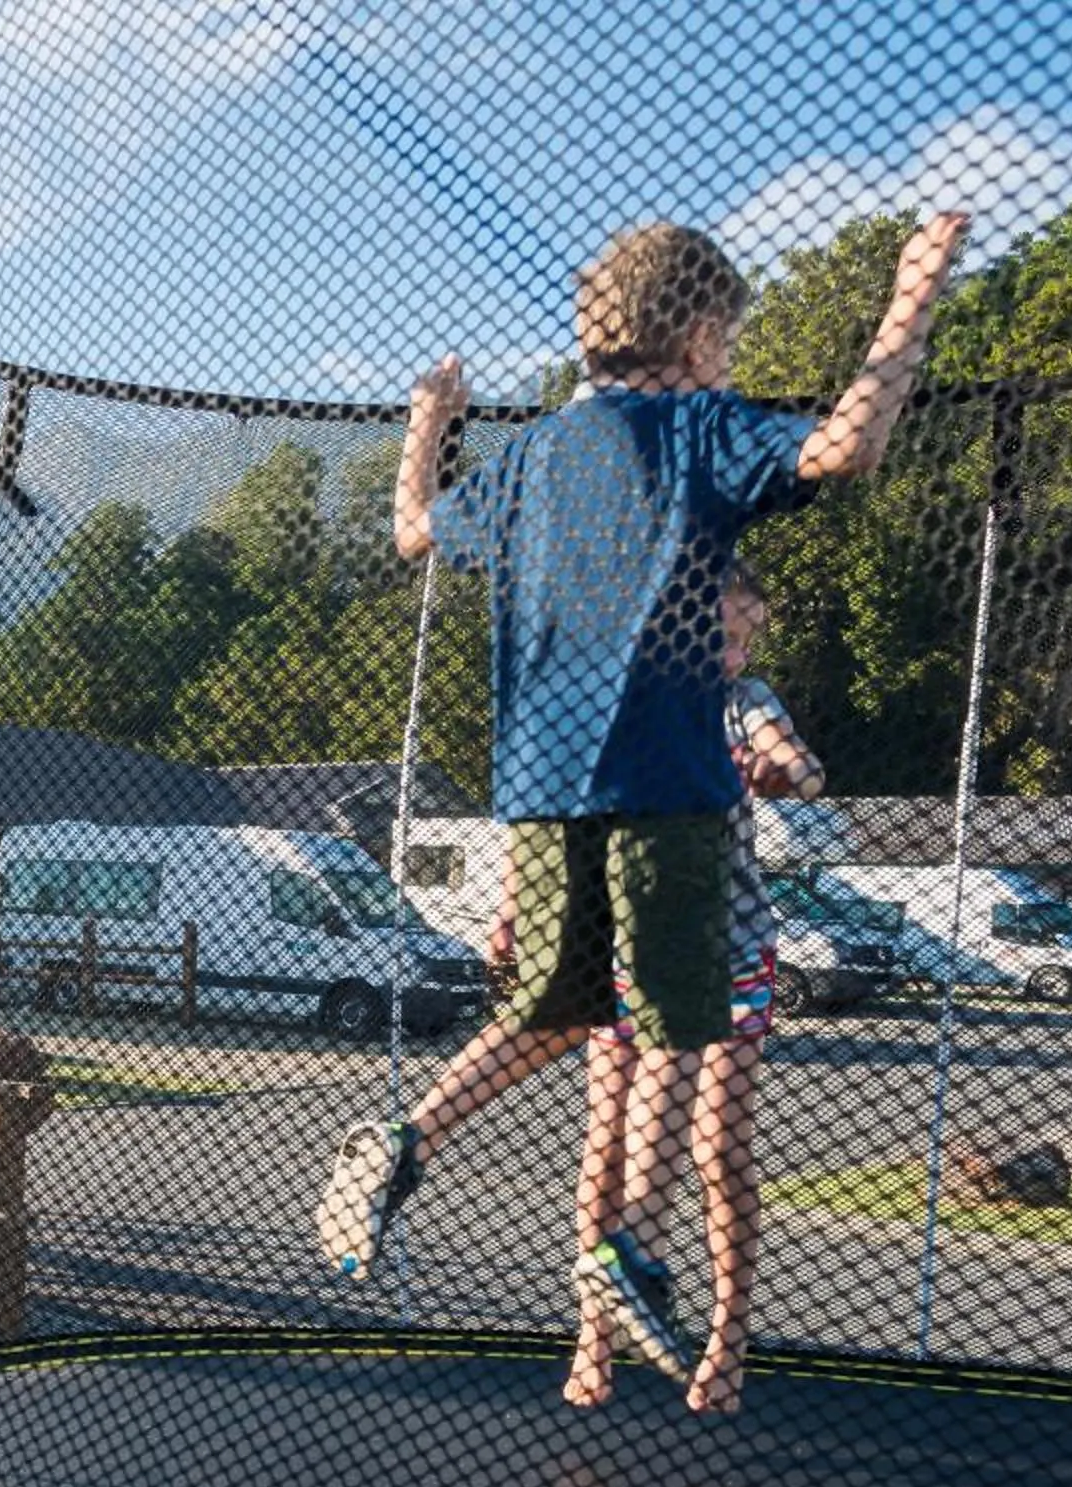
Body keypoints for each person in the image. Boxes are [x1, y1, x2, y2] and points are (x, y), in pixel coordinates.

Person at [315, 212, 967, 1379]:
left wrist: (431, 421)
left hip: (539, 791)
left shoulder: (528, 458)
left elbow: (414, 531)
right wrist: (910, 298)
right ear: (703, 335)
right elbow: (849, 445)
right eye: (731, 342)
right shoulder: (703, 426)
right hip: (665, 785)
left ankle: (406, 1139)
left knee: (554, 1012)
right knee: (676, 1020)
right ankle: (627, 1252)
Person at [567, 566, 823, 1412]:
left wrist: (790, 770)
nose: (734, 654)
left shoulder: (741, 702)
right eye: (722, 636)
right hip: (626, 953)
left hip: (729, 951)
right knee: (606, 1146)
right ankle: (596, 1335)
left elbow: (783, 748)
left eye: (747, 639)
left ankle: (727, 1340)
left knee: (716, 1150)